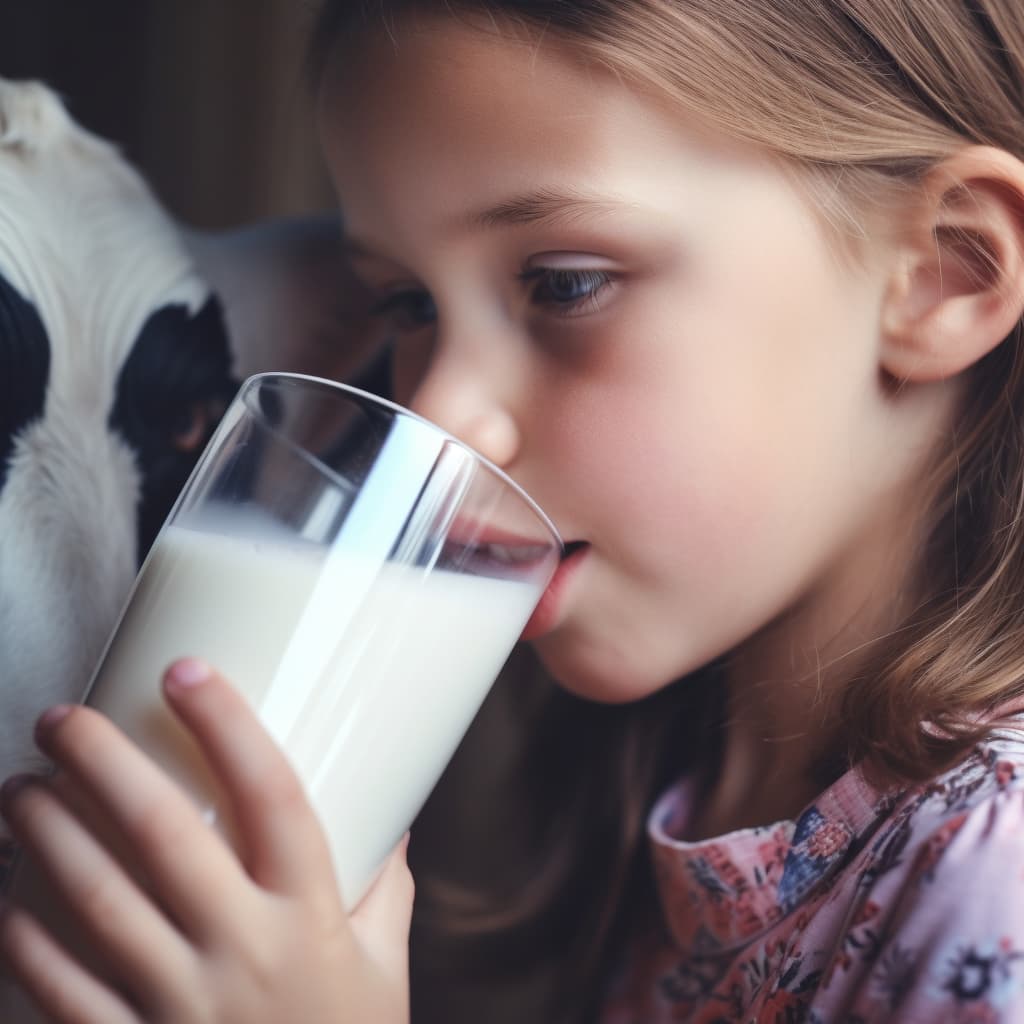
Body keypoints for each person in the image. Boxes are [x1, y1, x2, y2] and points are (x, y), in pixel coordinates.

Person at [4, 0, 1024, 1020]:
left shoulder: (994, 878)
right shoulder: (666, 781)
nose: (434, 419)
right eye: (410, 305)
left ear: (946, 273)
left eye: (565, 284)